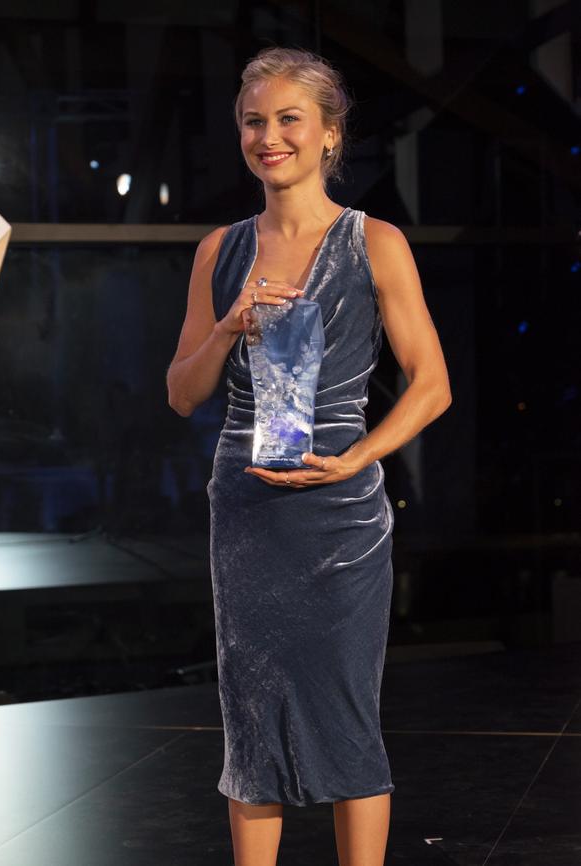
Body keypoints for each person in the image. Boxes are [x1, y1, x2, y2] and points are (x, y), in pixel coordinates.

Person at [167, 45, 451, 866]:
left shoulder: (374, 243)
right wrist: (228, 326)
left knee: (343, 713)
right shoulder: (220, 253)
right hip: (248, 509)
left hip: (340, 514)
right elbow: (183, 393)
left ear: (330, 135)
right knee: (249, 713)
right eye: (254, 120)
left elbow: (432, 385)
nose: (269, 136)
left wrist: (358, 456)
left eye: (290, 119)